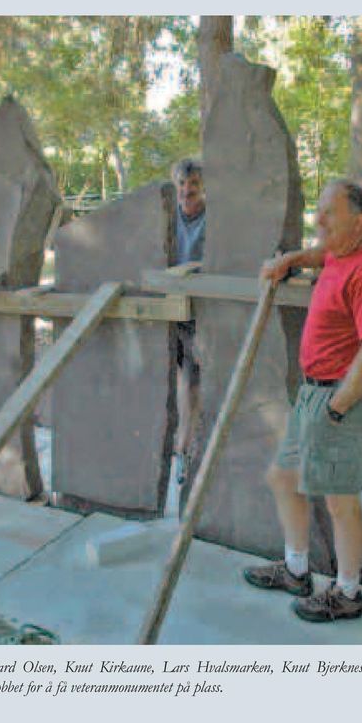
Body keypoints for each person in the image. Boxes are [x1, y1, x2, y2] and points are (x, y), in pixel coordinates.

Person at [243, 179, 362, 623]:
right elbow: (321, 253)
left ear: (360, 219)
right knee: (283, 477)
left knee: (339, 499)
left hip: (342, 395)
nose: (319, 220)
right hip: (315, 391)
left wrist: (336, 410)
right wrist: (292, 259)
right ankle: (296, 570)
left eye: (329, 212)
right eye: (320, 210)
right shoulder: (341, 248)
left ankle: (348, 593)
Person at [171, 157, 207, 483]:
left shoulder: (213, 219)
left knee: (199, 380)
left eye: (193, 184)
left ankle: (193, 448)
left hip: (205, 314)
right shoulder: (168, 216)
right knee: (186, 380)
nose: (186, 191)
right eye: (182, 185)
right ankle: (183, 448)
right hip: (175, 311)